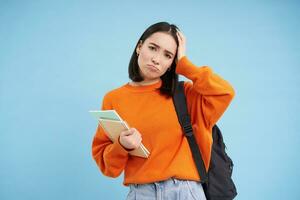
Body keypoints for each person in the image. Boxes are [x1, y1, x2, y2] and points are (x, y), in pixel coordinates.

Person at [91, 21, 235, 200]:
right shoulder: (114, 99)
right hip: (141, 193)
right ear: (139, 47)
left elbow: (225, 92)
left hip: (184, 191)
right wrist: (122, 145)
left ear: (172, 63)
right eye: (152, 48)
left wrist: (184, 64)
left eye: (168, 55)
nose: (156, 59)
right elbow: (108, 167)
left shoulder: (186, 95)